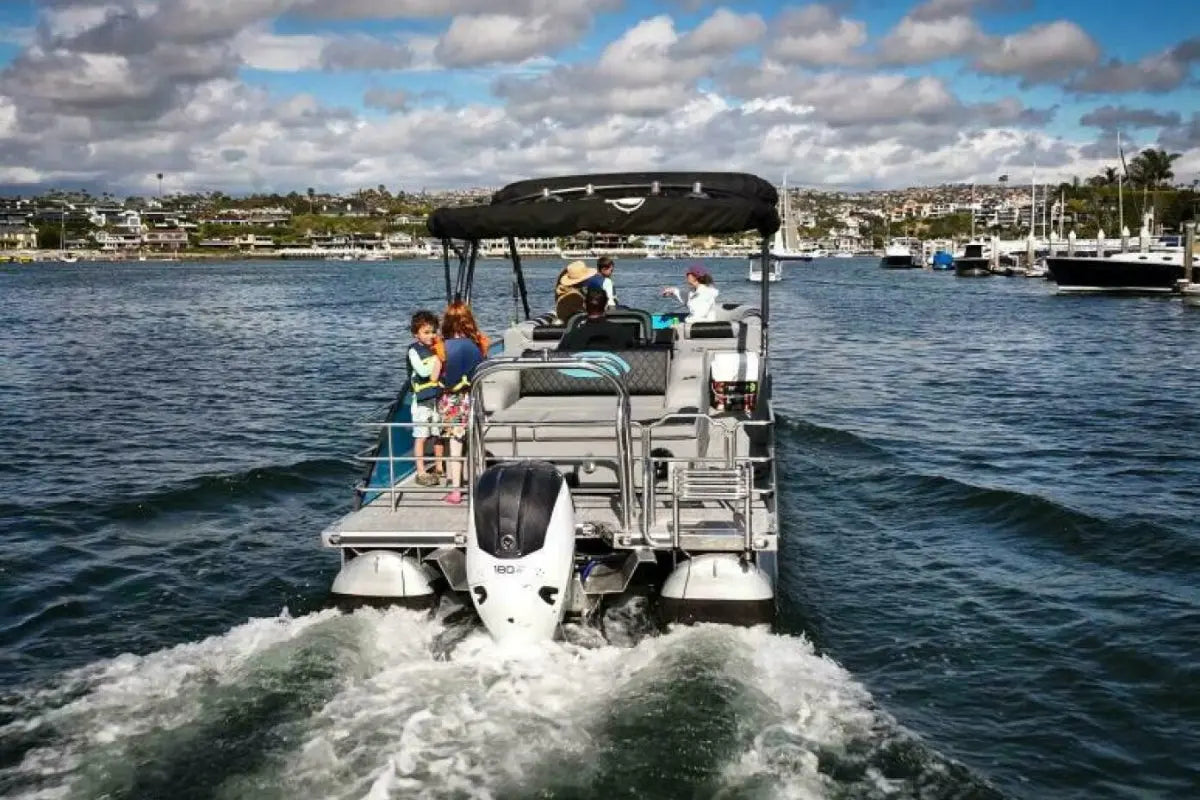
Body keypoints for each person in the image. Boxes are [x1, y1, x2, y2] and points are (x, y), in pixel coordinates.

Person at [437, 301, 487, 504]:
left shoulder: (442, 348)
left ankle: (456, 490)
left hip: (453, 400)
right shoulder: (479, 344)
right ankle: (478, 484)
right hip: (473, 396)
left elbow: (439, 377)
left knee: (455, 444)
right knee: (474, 441)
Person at [406, 310, 443, 486]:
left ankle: (440, 466)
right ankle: (421, 471)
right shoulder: (414, 351)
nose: (431, 335)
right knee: (421, 435)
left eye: (433, 331)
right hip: (421, 401)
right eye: (426, 332)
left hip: (436, 397)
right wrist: (437, 362)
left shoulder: (436, 348)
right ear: (416, 334)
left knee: (438, 434)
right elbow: (422, 371)